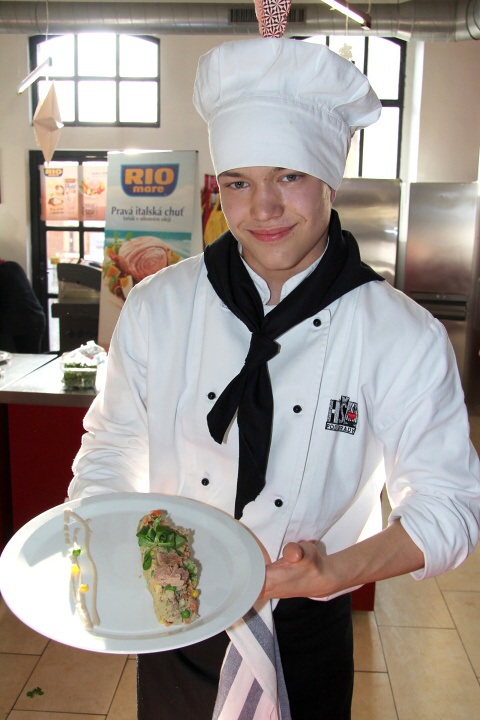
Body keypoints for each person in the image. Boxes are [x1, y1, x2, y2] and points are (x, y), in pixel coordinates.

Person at [68, 38, 480, 720]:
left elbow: (451, 507)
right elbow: (112, 448)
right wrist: (107, 548)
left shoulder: (399, 333)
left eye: (288, 176)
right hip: (175, 620)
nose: (262, 208)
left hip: (307, 633)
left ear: (329, 180)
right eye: (238, 182)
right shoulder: (157, 306)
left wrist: (333, 570)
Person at [0, 259, 46, 353]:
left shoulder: (4, 273)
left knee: (14, 359)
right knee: (31, 357)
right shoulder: (13, 266)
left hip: (17, 324)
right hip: (36, 319)